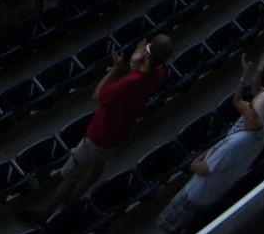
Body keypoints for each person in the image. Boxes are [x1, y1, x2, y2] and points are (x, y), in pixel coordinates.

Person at [22, 37, 162, 222]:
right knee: (98, 167)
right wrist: (136, 65)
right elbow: (141, 78)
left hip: (100, 134)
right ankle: (75, 198)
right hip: (120, 134)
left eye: (146, 52)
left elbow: (98, 95)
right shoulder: (160, 74)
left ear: (149, 57)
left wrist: (117, 67)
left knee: (72, 173)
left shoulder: (129, 83)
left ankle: (46, 213)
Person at [155, 90, 264, 234]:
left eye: (250, 106)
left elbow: (205, 168)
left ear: (252, 115)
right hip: (217, 189)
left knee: (171, 223)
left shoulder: (234, 145)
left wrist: (195, 162)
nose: (247, 107)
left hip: (197, 192)